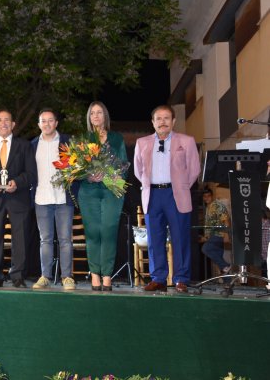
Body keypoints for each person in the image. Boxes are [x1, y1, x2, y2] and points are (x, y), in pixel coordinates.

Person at [134, 104, 200, 293]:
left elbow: (194, 169)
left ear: (173, 121)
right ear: (153, 122)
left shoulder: (186, 141)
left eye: (166, 118)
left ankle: (181, 278)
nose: (162, 122)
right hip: (152, 195)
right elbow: (139, 171)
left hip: (176, 194)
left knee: (180, 237)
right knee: (155, 238)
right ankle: (158, 278)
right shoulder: (142, 142)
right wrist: (150, 184)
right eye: (158, 119)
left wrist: (180, 186)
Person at [0, 109, 37, 288]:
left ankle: (18, 275)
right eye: (0, 120)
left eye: (7, 120)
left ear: (13, 125)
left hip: (18, 197)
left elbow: (31, 173)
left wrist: (17, 183)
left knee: (19, 238)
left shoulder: (25, 145)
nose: (3, 123)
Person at [78, 101, 128, 291]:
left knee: (108, 231)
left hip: (111, 190)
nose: (96, 116)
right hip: (89, 191)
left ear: (105, 116)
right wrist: (88, 175)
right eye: (93, 113)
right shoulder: (84, 139)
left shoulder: (116, 138)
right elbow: (75, 168)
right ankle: (95, 275)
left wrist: (113, 175)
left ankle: (107, 274)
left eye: (99, 113)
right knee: (92, 233)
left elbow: (124, 164)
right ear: (89, 118)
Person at [30, 109, 77, 290]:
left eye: (51, 120)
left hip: (63, 198)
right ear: (39, 124)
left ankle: (67, 277)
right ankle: (45, 276)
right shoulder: (33, 145)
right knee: (45, 240)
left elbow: (77, 168)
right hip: (41, 198)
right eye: (43, 121)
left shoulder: (68, 142)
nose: (47, 124)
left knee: (65, 239)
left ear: (56, 123)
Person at [200, 188, 231, 276]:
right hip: (214, 235)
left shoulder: (217, 205)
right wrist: (206, 237)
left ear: (212, 196)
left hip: (219, 234)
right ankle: (227, 282)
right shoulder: (209, 207)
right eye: (204, 196)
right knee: (219, 260)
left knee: (205, 249)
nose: (206, 198)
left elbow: (226, 220)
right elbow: (210, 225)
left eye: (208, 196)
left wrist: (226, 234)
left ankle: (226, 266)